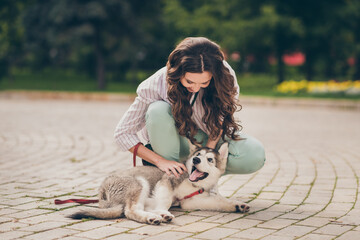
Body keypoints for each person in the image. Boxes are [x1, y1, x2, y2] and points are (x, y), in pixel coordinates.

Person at [114, 37, 265, 177]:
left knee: (254, 154)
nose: (196, 88)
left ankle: (196, 179)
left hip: (205, 137)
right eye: (189, 82)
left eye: (204, 83)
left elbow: (219, 121)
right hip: (172, 142)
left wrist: (204, 158)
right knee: (157, 110)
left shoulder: (225, 77)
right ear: (178, 73)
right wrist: (160, 161)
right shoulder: (156, 83)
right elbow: (123, 134)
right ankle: (172, 177)